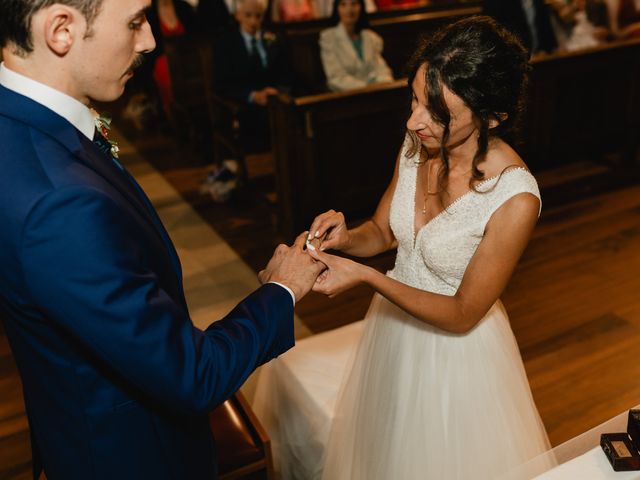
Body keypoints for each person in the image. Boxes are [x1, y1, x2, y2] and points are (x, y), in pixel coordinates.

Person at [0, 0, 324, 478]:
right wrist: (283, 289)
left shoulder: (21, 126)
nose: (150, 39)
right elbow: (191, 376)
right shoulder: (58, 202)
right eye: (134, 21)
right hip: (133, 455)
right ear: (61, 30)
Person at [254, 16, 551, 479]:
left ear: (492, 117)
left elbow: (463, 312)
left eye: (437, 112)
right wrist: (348, 238)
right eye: (414, 98)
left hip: (459, 359)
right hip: (393, 332)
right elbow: (385, 230)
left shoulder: (515, 198)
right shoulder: (417, 143)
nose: (414, 120)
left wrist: (369, 276)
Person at [205, 0, 292, 200]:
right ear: (238, 16)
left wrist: (277, 91)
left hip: (274, 101)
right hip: (244, 108)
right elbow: (221, 84)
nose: (254, 21)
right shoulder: (226, 44)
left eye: (258, 16)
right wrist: (252, 96)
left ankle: (290, 178)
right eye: (248, 16)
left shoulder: (273, 39)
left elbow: (286, 73)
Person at [319, 0, 393, 92]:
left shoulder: (370, 37)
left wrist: (385, 82)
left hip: (376, 93)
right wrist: (367, 87)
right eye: (343, 4)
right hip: (346, 97)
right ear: (336, 8)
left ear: (361, 6)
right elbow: (336, 78)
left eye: (354, 4)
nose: (349, 9)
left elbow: (381, 69)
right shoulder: (328, 38)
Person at [484, 0, 558, 55]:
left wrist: (547, 50)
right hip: (512, 59)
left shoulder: (537, 2)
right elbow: (493, 33)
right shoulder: (495, 2)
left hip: (540, 58)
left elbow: (546, 29)